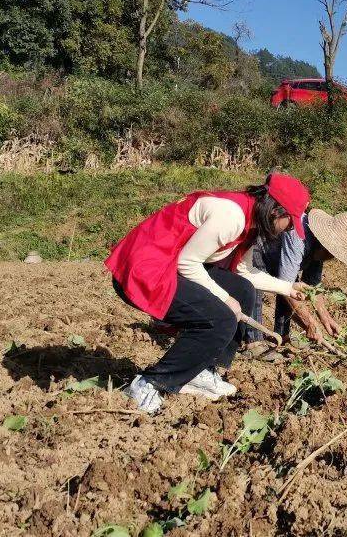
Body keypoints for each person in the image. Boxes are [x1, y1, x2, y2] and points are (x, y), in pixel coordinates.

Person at [105, 173, 309, 414]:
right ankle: (149, 384)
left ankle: (202, 371)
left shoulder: (251, 223)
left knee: (243, 291)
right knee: (219, 319)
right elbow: (187, 262)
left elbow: (245, 272)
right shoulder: (231, 216)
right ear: (276, 212)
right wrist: (224, 299)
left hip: (171, 264)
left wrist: (287, 288)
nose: (287, 231)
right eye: (290, 223)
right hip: (146, 267)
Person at [260, 209, 347, 344]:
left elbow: (313, 286)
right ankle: (252, 341)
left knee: (292, 288)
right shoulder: (298, 236)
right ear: (325, 246)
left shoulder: (318, 249)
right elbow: (286, 284)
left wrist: (326, 319)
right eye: (332, 253)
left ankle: (281, 337)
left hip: (277, 259)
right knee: (257, 288)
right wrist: (309, 323)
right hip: (259, 249)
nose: (332, 258)